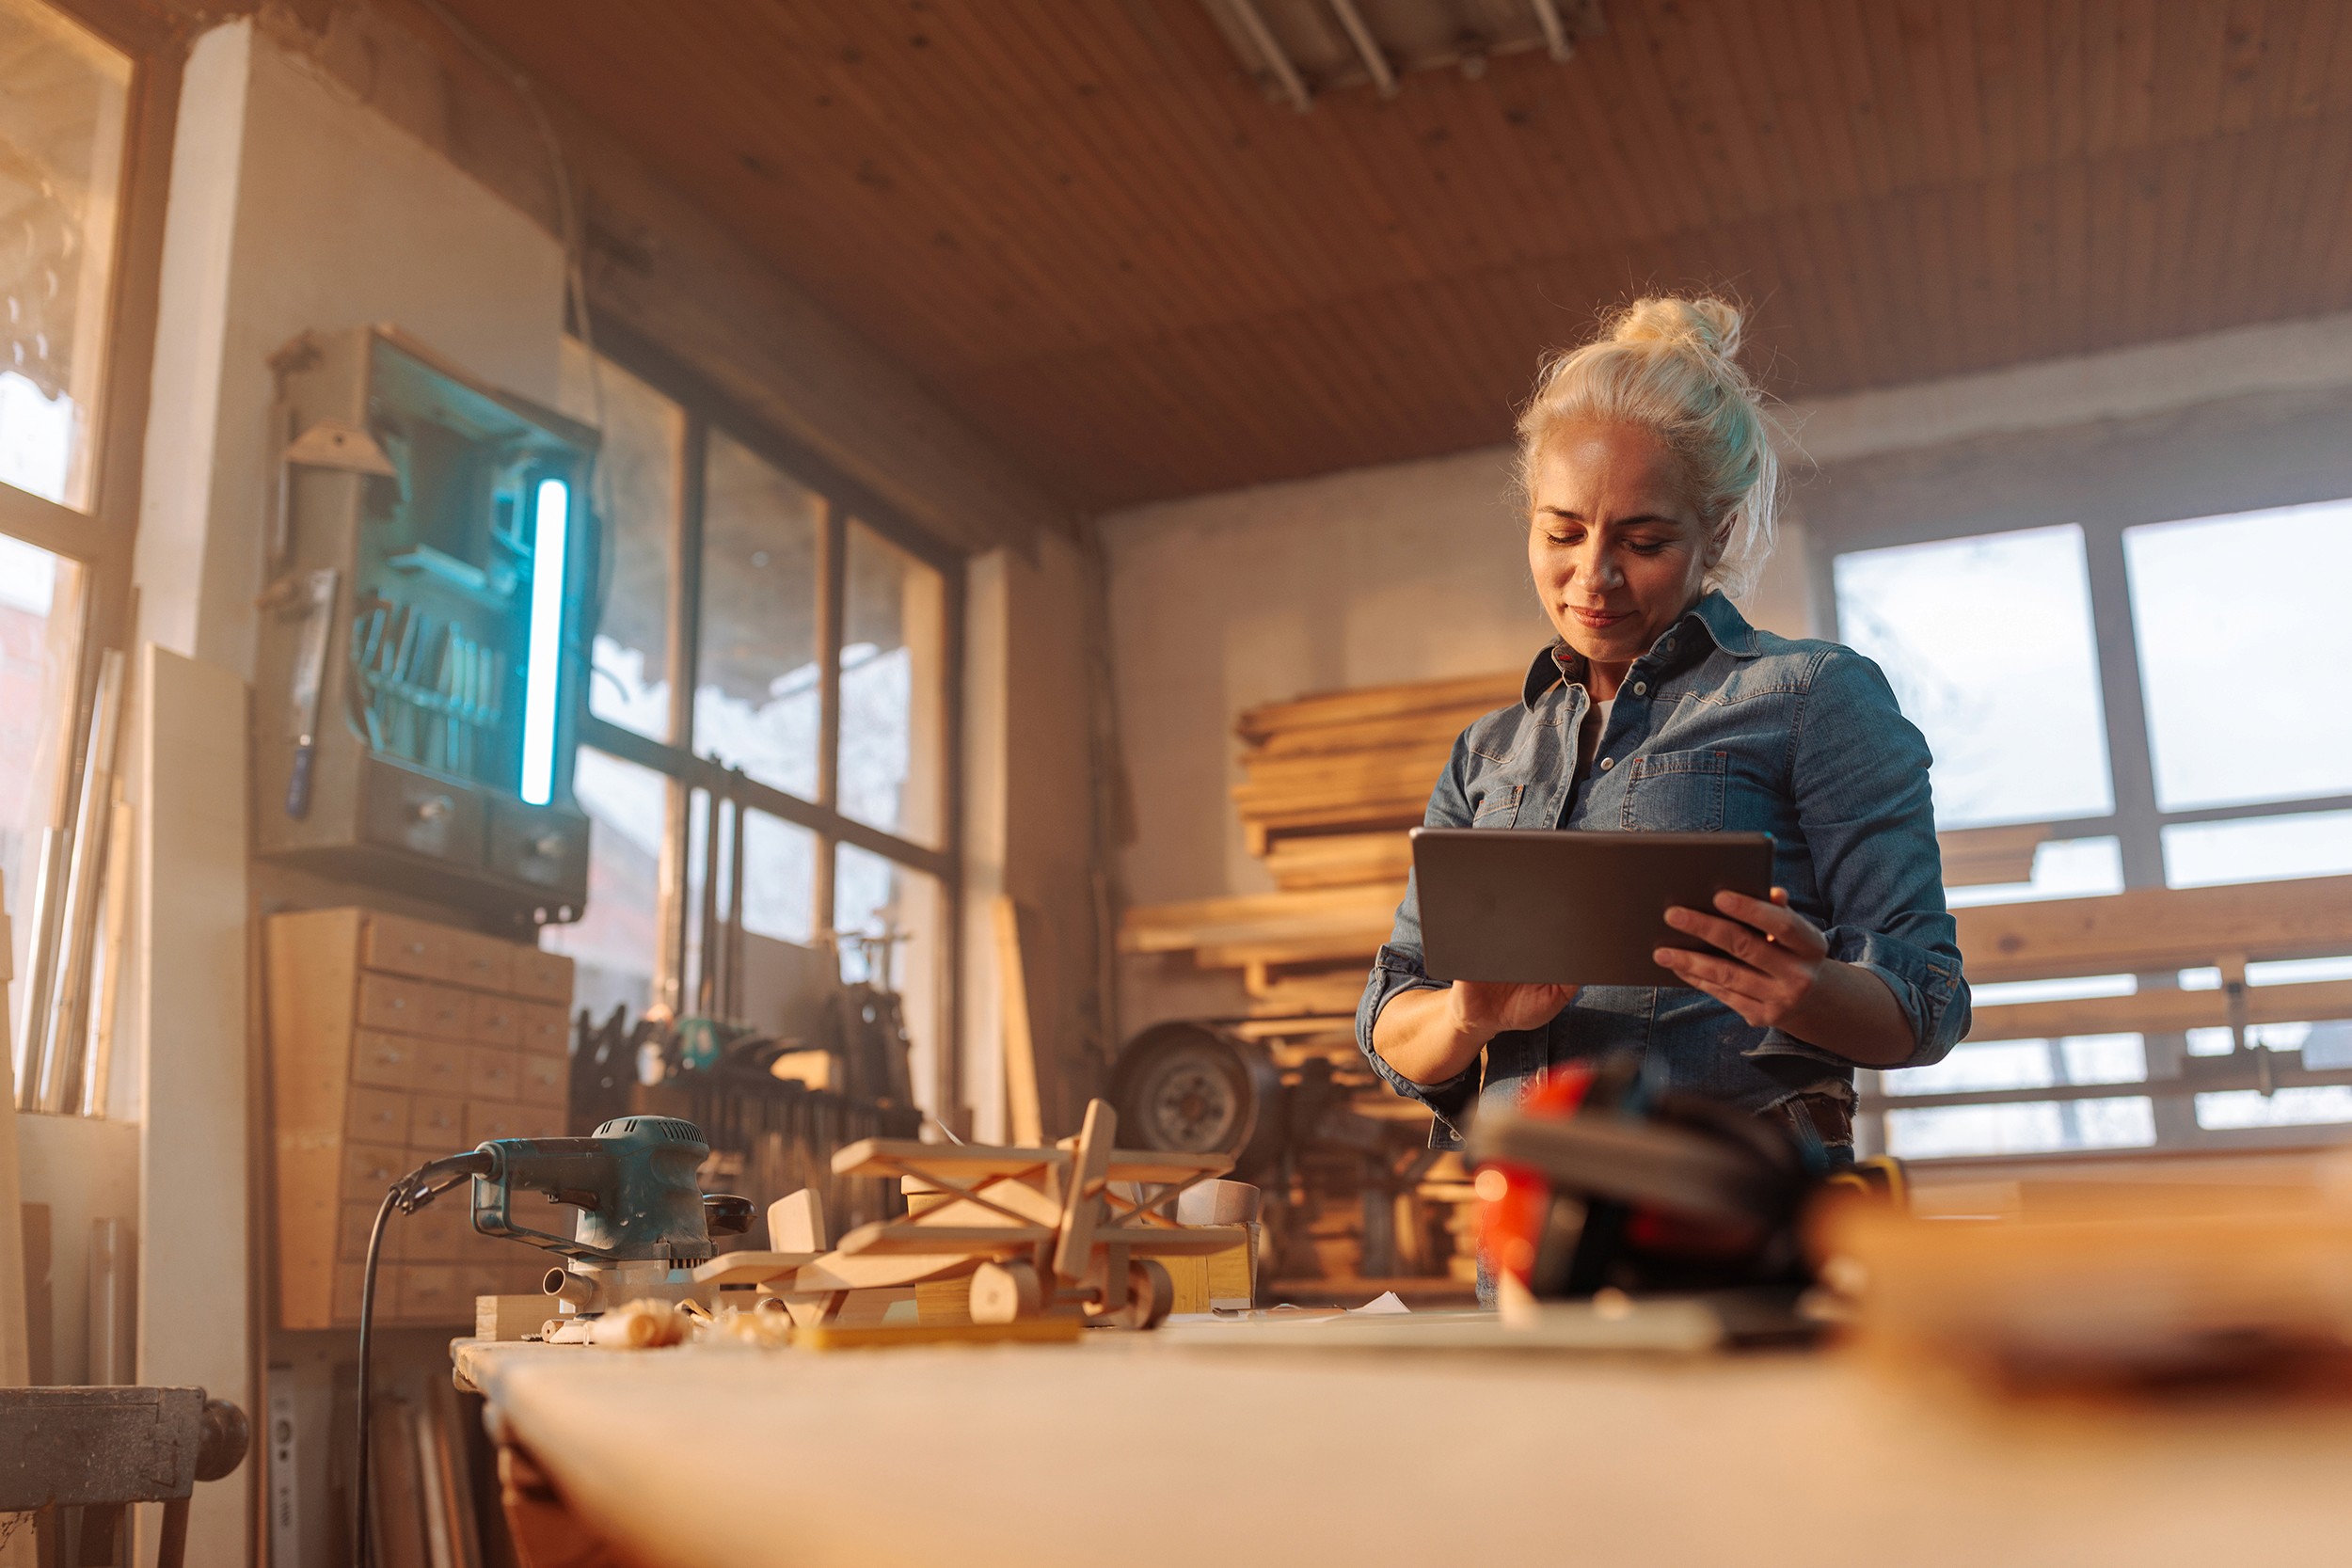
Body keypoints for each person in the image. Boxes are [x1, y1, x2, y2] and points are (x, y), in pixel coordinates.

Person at [1357, 295, 1969, 1166]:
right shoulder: (1489, 755)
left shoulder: (1815, 699)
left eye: (1643, 541)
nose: (1593, 577)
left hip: (1738, 1253)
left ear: (1713, 531)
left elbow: (1931, 1001)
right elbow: (1388, 1014)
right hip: (1534, 1256)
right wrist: (1467, 1015)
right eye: (1561, 532)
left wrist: (1806, 989)